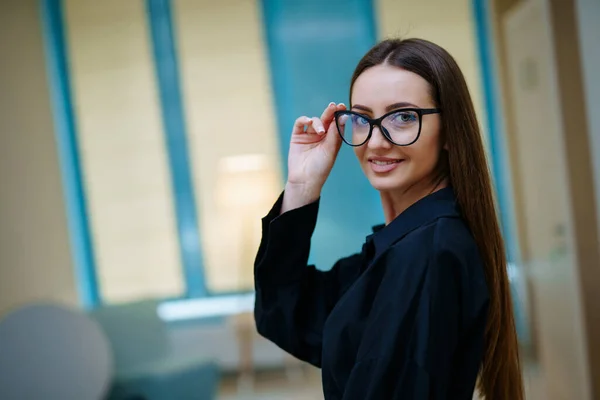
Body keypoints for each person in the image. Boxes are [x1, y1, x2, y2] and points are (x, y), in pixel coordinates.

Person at [253, 38, 524, 399]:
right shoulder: (403, 246)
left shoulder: (428, 252)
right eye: (362, 118)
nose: (377, 142)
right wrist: (301, 186)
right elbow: (284, 315)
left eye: (403, 117)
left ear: (448, 130)